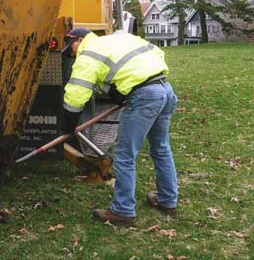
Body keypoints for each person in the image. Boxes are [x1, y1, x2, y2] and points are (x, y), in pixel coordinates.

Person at [61, 27, 178, 225]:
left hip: (145, 96)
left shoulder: (88, 53)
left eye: (70, 47)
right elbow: (155, 54)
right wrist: (122, 89)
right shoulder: (119, 39)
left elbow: (76, 95)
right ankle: (168, 200)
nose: (70, 53)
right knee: (161, 149)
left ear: (79, 40)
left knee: (125, 155)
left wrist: (68, 124)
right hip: (164, 89)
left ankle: (123, 211)